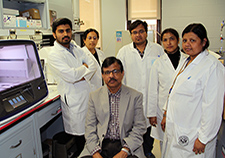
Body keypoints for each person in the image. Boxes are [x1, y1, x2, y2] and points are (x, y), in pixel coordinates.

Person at [161, 23, 224, 158]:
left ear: (204, 42)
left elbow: (213, 107)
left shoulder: (212, 66)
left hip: (194, 135)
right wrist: (166, 113)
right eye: (185, 40)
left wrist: (203, 138)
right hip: (177, 128)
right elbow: (173, 90)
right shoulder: (186, 61)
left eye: (192, 40)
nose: (187, 44)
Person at [79, 57, 147, 158]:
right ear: (102, 75)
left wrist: (125, 151)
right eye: (107, 72)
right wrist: (95, 153)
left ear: (122, 73)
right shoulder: (94, 96)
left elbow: (139, 127)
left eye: (115, 71)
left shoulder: (135, 96)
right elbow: (90, 127)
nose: (111, 76)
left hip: (126, 143)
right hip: (100, 144)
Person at [48, 18, 97, 156]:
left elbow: (92, 66)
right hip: (74, 99)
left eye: (68, 30)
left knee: (90, 132)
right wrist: (83, 68)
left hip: (86, 94)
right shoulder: (54, 54)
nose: (65, 34)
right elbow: (71, 76)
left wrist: (80, 74)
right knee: (80, 137)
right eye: (61, 31)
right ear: (54, 34)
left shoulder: (75, 47)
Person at [116, 19, 164, 158]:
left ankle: (148, 152)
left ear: (146, 32)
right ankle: (134, 153)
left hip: (151, 98)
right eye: (134, 32)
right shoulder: (124, 51)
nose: (138, 35)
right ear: (131, 34)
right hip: (131, 98)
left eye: (141, 31)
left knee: (150, 129)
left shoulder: (157, 49)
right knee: (133, 129)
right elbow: (119, 76)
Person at [147, 28, 188, 150]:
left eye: (172, 39)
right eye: (165, 40)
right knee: (165, 143)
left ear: (178, 40)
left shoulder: (188, 60)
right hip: (162, 108)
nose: (168, 43)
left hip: (184, 106)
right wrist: (151, 113)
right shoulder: (158, 63)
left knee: (182, 141)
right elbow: (153, 90)